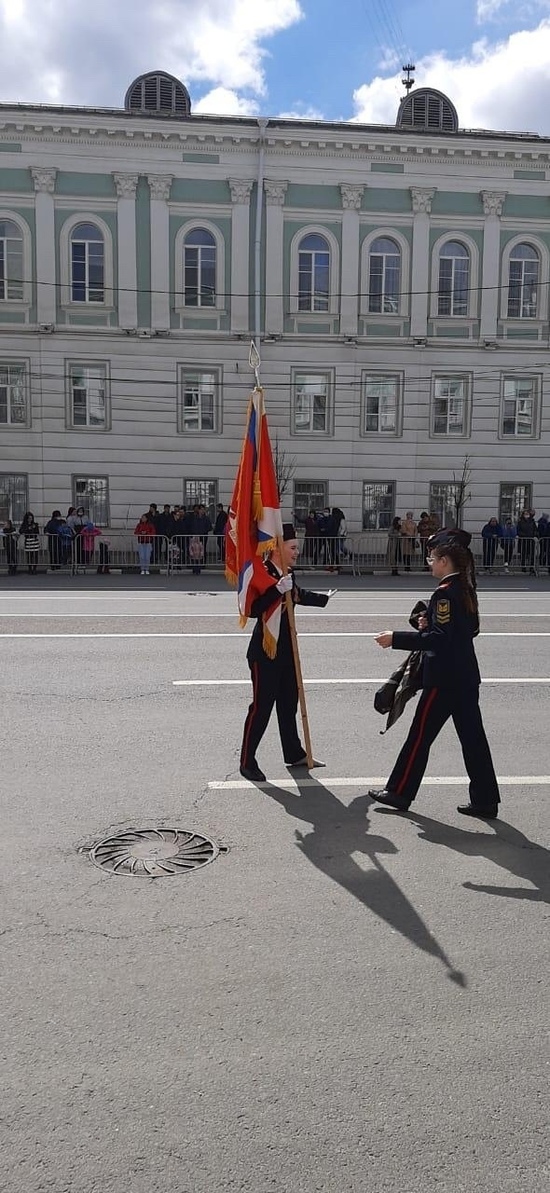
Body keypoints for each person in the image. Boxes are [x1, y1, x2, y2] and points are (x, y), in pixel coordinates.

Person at [368, 528, 500, 820]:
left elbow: (439, 640)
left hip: (443, 680)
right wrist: (426, 623)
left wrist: (396, 638)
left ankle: (399, 792)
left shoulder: (443, 593)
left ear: (444, 561)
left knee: (419, 736)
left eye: (432, 558)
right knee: (473, 740)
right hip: (465, 677)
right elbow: (468, 631)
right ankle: (486, 800)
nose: (430, 562)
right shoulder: (465, 588)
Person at [240, 524, 334, 782]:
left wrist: (323, 599)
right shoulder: (262, 572)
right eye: (292, 547)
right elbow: (252, 609)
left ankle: (293, 753)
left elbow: (296, 595)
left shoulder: (285, 573)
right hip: (264, 651)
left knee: (288, 703)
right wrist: (276, 590)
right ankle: (247, 761)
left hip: (286, 651)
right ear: (277, 547)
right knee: (261, 707)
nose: (297, 551)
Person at [516, 509, 538, 575]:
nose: (526, 515)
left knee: (531, 554)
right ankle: (523, 567)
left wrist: (535, 535)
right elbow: (518, 531)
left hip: (531, 540)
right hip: (523, 540)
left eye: (527, 514)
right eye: (525, 514)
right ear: (523, 515)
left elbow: (535, 529)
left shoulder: (532, 521)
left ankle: (531, 567)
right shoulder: (520, 522)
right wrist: (525, 535)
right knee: (523, 554)